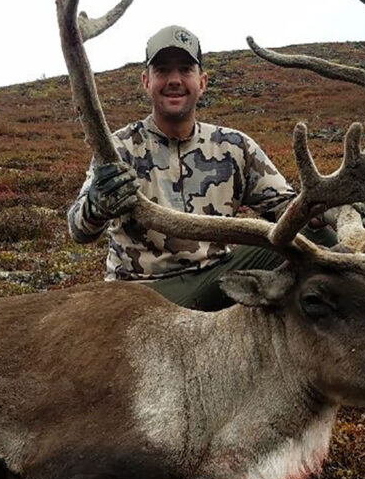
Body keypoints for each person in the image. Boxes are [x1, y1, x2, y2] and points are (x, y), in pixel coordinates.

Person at [67, 25, 336, 310]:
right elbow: (78, 230)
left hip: (216, 281)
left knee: (317, 239)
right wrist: (96, 206)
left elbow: (285, 208)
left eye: (185, 70)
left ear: (202, 81)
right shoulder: (118, 147)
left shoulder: (233, 145)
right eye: (162, 71)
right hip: (142, 294)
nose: (174, 80)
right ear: (146, 81)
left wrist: (326, 208)